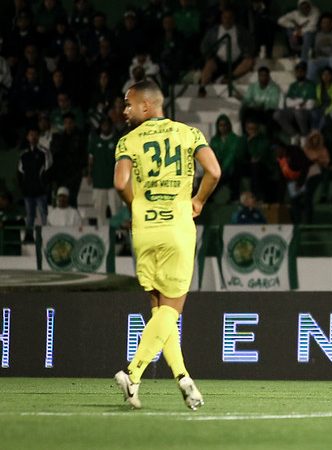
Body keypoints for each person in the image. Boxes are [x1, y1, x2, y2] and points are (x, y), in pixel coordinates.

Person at [113, 80, 221, 410]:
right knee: (171, 312)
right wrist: (199, 201)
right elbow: (213, 171)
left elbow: (120, 183)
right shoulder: (188, 134)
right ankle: (132, 373)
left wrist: (136, 206)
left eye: (129, 104)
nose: (124, 110)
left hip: (145, 229)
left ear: (148, 106)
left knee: (160, 312)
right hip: (177, 227)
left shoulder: (128, 141)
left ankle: (184, 379)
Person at [87, 117, 120, 226]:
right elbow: (91, 160)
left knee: (116, 211)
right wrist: (89, 174)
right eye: (103, 125)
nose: (105, 127)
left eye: (107, 125)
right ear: (100, 127)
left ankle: (118, 234)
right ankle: (102, 234)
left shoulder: (117, 140)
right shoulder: (95, 141)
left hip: (113, 183)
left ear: (111, 126)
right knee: (99, 212)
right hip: (99, 182)